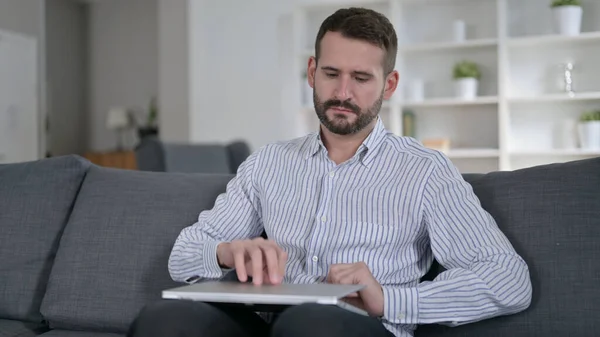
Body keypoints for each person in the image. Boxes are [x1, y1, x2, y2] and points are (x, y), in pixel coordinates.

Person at [127, 7, 532, 337]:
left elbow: (508, 279)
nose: (342, 93)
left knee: (310, 323)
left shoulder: (425, 172)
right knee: (164, 319)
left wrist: (389, 300)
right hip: (266, 322)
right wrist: (226, 251)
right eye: (331, 74)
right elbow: (182, 256)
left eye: (361, 78)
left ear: (389, 85)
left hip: (359, 327)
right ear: (311, 73)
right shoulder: (269, 163)